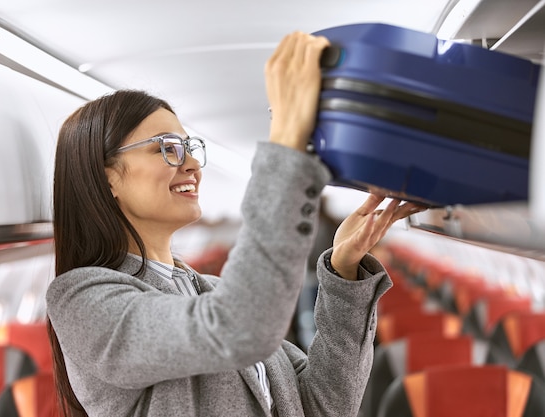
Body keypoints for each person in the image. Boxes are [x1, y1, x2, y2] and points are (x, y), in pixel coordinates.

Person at [45, 31, 424, 417]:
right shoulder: (80, 300)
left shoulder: (212, 291)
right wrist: (287, 144)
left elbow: (324, 406)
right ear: (107, 176)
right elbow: (240, 326)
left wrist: (343, 271)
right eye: (168, 148)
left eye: (190, 148)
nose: (191, 164)